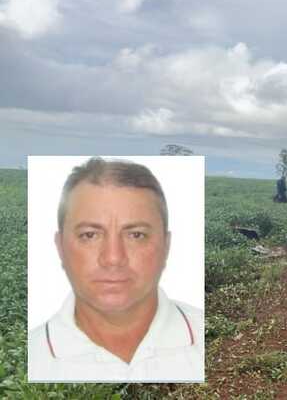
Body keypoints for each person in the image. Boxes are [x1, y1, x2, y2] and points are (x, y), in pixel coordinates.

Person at [28, 157, 204, 382]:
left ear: (166, 246)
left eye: (136, 235)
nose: (113, 258)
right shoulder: (31, 356)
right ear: (60, 247)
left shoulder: (206, 336)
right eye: (90, 235)